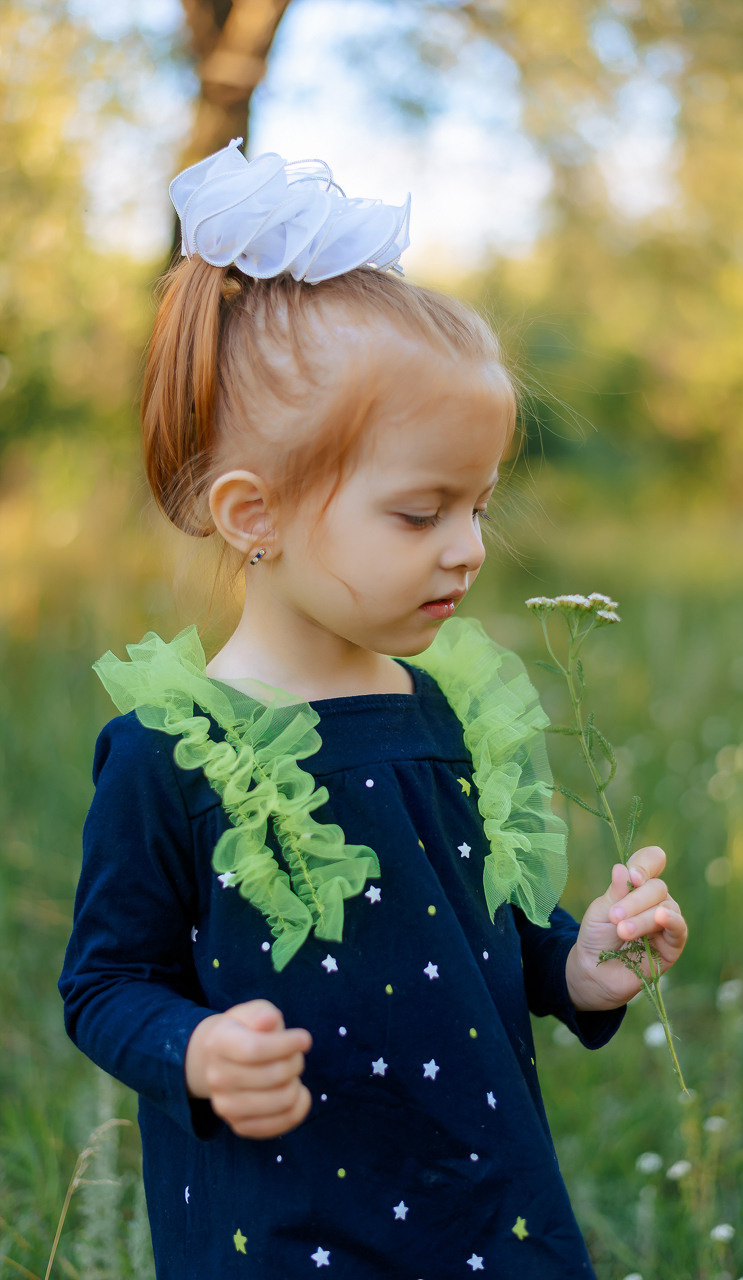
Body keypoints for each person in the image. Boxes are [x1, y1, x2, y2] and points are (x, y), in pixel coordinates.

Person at [60, 140, 687, 1279]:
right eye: (419, 513)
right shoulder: (175, 751)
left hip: (480, 1203)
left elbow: (466, 931)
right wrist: (195, 1046)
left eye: (480, 505)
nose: (469, 547)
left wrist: (575, 965)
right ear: (256, 512)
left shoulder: (439, 707)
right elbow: (105, 983)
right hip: (287, 1230)